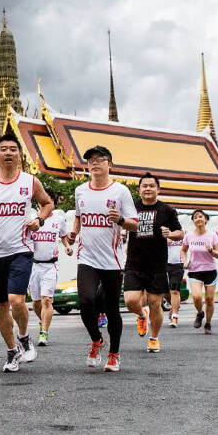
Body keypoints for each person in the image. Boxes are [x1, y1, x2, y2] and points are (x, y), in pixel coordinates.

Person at [0, 133, 54, 372]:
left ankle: (24, 336)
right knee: (0, 306)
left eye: (13, 149)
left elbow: (47, 204)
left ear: (19, 155)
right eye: (3, 149)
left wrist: (39, 219)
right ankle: (12, 350)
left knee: (16, 300)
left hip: (21, 250)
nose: (8, 153)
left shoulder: (30, 182)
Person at [65, 145, 138, 372]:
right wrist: (74, 233)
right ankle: (96, 340)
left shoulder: (120, 192)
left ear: (110, 164)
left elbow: (134, 224)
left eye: (100, 159)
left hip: (112, 260)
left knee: (110, 308)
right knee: (86, 301)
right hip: (87, 257)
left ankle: (114, 353)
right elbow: (78, 217)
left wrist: (120, 220)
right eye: (91, 160)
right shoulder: (80, 191)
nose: (95, 163)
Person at [124, 172, 183, 352]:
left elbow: (180, 233)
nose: (148, 188)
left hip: (157, 264)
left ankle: (154, 338)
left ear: (158, 189)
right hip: (134, 262)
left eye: (152, 186)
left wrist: (170, 234)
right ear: (139, 189)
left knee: (155, 303)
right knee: (130, 301)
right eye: (145, 186)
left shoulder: (167, 210)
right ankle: (142, 315)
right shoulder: (131, 208)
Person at [28, 206, 72, 346]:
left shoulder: (58, 220)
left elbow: (64, 236)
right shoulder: (30, 217)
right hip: (33, 265)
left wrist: (67, 246)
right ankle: (43, 320)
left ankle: (44, 332)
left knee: (46, 299)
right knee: (36, 302)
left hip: (51, 265)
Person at [181, 210, 218, 334]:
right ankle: (200, 313)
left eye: (200, 216)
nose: (198, 219)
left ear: (206, 219)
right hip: (195, 270)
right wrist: (185, 261)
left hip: (210, 270)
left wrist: (211, 251)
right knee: (197, 296)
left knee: (209, 299)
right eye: (195, 217)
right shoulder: (188, 236)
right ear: (193, 221)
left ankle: (208, 323)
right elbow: (183, 250)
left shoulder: (212, 235)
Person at [166, 225, 186, 328]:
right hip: (163, 263)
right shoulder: (162, 230)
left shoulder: (182, 230)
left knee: (174, 290)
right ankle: (174, 306)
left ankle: (174, 317)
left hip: (178, 264)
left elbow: (187, 246)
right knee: (164, 292)